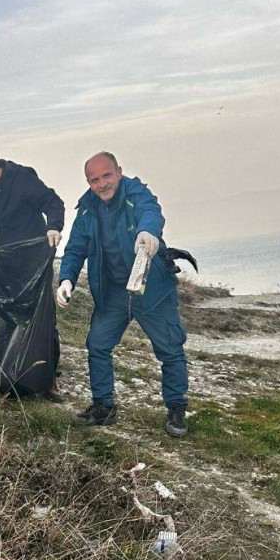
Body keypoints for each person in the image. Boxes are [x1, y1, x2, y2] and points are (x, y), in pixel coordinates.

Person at [56, 151, 189, 437]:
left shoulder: (136, 191)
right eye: (94, 180)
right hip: (114, 293)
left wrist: (148, 233)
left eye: (106, 176)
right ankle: (104, 407)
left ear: (118, 170)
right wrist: (66, 279)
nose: (102, 184)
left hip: (152, 290)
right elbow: (75, 248)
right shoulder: (87, 209)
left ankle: (176, 409)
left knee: (170, 349)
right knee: (97, 344)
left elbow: (151, 210)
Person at [0, 143, 65, 396]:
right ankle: (11, 374)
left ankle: (48, 377)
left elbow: (52, 202)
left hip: (32, 262)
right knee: (5, 318)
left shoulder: (21, 179)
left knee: (40, 319)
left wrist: (54, 227)